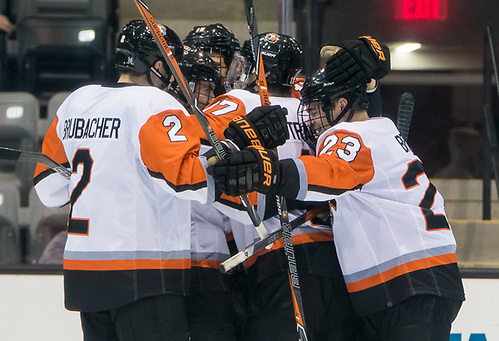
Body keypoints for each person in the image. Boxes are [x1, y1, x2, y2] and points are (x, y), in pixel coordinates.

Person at [209, 36, 466, 340]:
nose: (312, 117)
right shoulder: (382, 131)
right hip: (411, 284)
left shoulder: (347, 133)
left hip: (408, 284)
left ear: (342, 104)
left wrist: (269, 172)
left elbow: (329, 172)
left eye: (319, 107)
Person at [32, 19, 243, 341]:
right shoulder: (154, 103)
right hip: (142, 269)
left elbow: (48, 190)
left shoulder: (75, 101)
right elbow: (188, 181)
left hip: (84, 271)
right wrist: (231, 156)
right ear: (158, 64)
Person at [206, 32, 363, 341]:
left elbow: (201, 154)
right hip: (338, 258)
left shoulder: (237, 102)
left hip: (277, 259)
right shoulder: (314, 106)